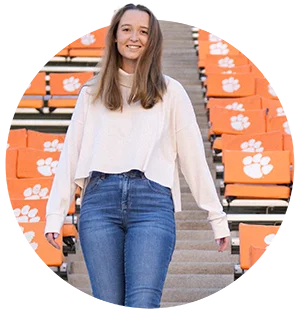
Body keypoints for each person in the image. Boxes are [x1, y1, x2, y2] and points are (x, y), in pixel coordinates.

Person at [44, 2, 230, 310]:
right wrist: (56, 212)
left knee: (142, 303)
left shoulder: (172, 92)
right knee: (110, 304)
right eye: (127, 29)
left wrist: (216, 217)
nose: (134, 37)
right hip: (99, 204)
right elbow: (71, 154)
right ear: (115, 36)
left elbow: (194, 159)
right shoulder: (91, 93)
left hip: (152, 204)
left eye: (143, 31)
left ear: (152, 39)